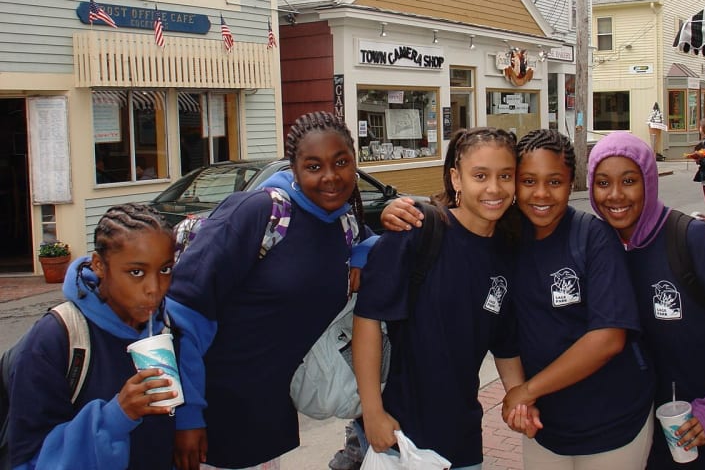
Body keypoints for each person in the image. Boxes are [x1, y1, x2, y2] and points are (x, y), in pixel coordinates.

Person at [168, 111, 372, 470]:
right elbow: (184, 314)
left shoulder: (345, 225)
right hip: (212, 406)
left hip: (265, 410)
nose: (330, 177)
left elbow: (381, 247)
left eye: (341, 162)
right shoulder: (260, 213)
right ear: (294, 169)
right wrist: (187, 415)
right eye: (313, 166)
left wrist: (365, 250)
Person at [588, 132, 705, 470]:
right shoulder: (605, 250)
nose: (615, 195)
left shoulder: (693, 239)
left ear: (648, 181)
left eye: (629, 180)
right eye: (603, 182)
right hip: (653, 440)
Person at [353, 127, 524, 469]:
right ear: (455, 179)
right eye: (480, 175)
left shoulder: (508, 251)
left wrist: (521, 399)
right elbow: (368, 318)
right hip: (398, 434)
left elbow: (504, 344)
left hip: (462, 438)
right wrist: (373, 413)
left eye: (505, 175)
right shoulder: (418, 230)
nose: (494, 187)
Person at [500, 129, 654, 469]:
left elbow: (608, 338)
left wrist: (526, 392)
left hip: (612, 423)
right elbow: (504, 334)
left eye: (554, 182)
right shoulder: (507, 238)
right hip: (545, 424)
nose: (541, 193)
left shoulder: (593, 236)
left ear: (572, 183)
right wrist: (520, 397)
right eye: (528, 181)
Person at [8, 203, 178, 470]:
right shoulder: (57, 339)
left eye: (165, 270)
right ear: (99, 265)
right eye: (136, 272)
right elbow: (29, 459)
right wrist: (116, 417)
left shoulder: (165, 325)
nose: (154, 289)